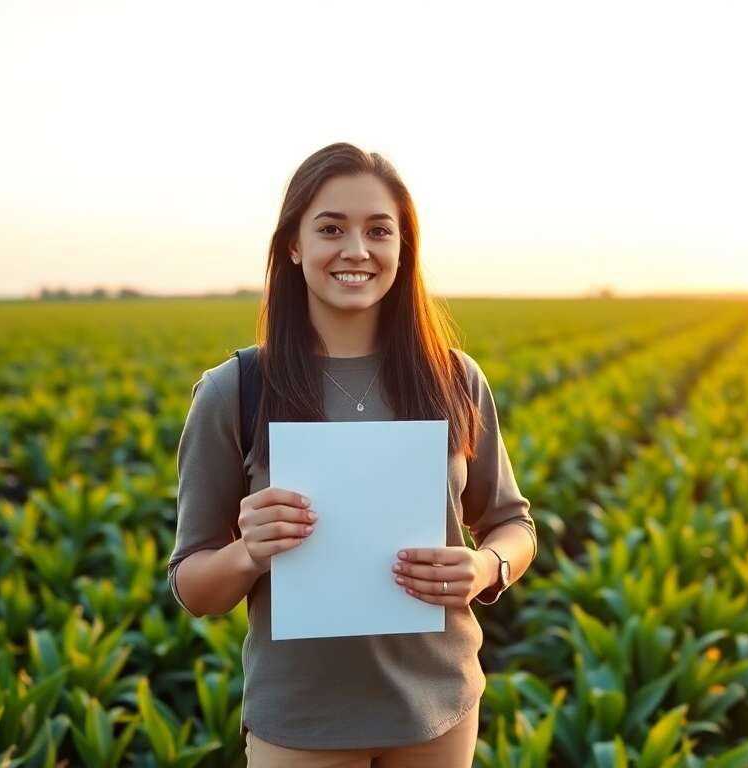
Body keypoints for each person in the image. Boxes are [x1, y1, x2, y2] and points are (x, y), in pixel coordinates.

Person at [166, 142, 537, 767]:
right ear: (293, 246)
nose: (357, 251)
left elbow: (513, 523)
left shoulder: (452, 377)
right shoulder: (236, 390)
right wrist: (249, 551)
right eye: (331, 228)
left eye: (379, 231)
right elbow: (193, 587)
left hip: (439, 707)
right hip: (302, 722)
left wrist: (485, 568)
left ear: (403, 248)